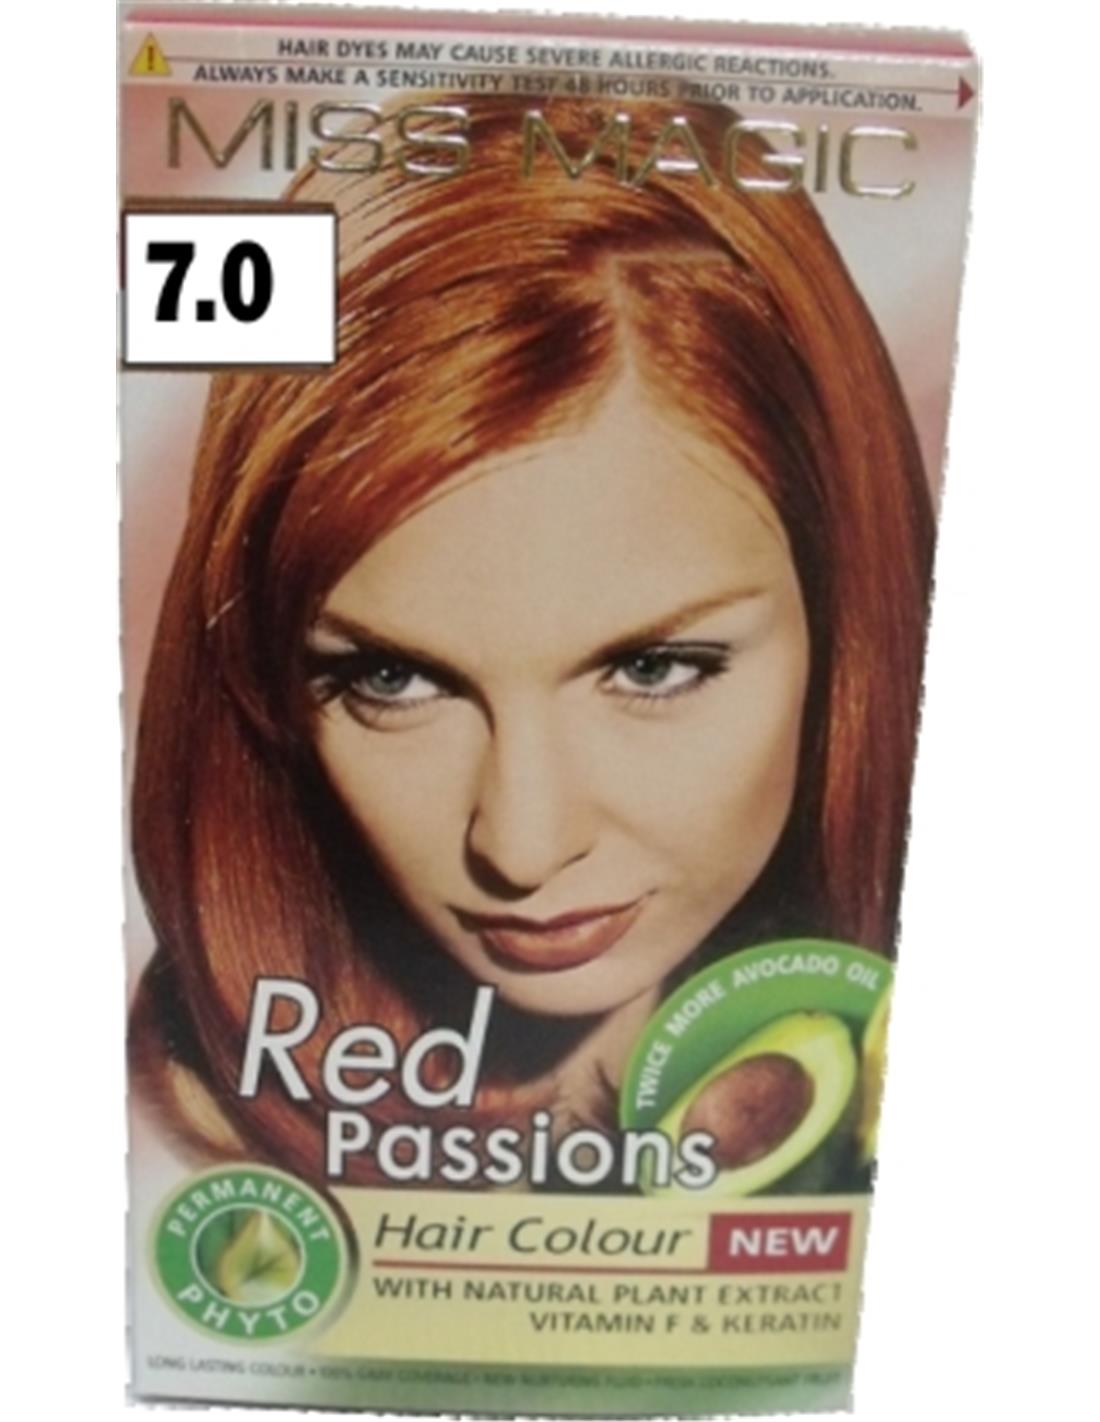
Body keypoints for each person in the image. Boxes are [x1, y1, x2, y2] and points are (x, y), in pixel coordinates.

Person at [129, 96, 934, 1183]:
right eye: (391, 679)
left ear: (844, 618)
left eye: (652, 668)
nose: (522, 846)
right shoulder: (162, 1153)